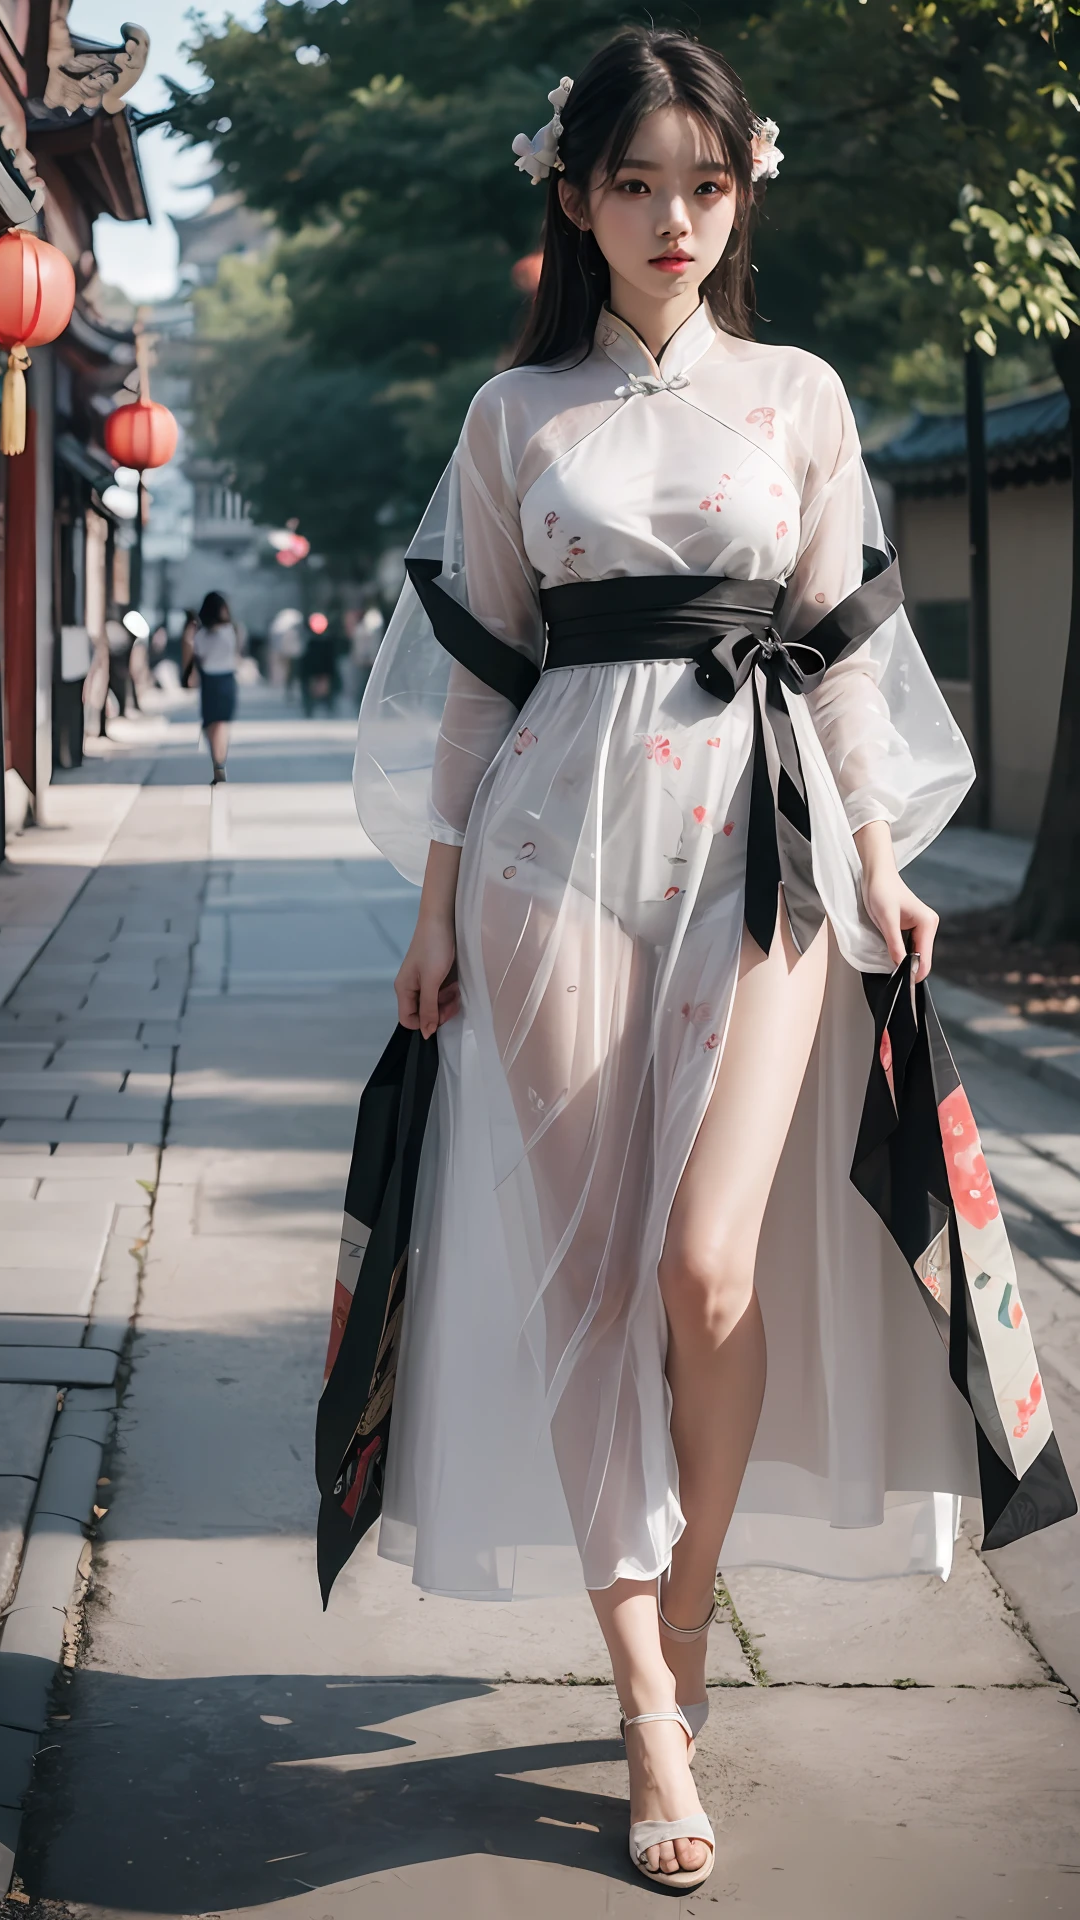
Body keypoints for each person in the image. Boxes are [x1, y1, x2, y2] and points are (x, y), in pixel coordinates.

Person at [351, 27, 1073, 1894]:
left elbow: (838, 648)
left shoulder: (803, 398)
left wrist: (891, 864)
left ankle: (689, 1600)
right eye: (634, 184)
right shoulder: (518, 424)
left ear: (742, 192)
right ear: (573, 198)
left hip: (762, 852)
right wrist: (434, 903)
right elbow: (474, 685)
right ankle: (650, 1704)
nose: (675, 220)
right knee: (594, 1274)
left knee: (708, 1260)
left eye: (706, 184)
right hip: (546, 851)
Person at [192, 590, 240, 785]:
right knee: (222, 723)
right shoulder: (232, 630)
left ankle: (217, 762)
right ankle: (220, 762)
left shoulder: (200, 634)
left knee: (212, 723)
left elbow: (198, 657)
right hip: (226, 679)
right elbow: (236, 651)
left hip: (209, 680)